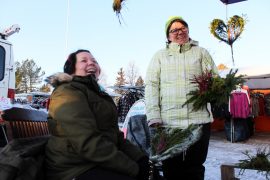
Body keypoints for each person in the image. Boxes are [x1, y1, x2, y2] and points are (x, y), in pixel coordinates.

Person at [45, 49, 149, 180]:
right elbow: (86, 141)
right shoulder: (66, 92)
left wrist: (141, 159)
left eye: (94, 61)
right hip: (73, 168)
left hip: (96, 161)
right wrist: (132, 168)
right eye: (84, 60)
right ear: (71, 69)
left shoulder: (99, 95)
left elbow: (117, 137)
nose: (91, 63)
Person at [145, 16, 218, 180]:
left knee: (195, 167)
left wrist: (215, 92)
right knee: (171, 168)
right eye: (174, 30)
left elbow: (214, 79)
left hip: (199, 120)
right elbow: (151, 86)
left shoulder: (201, 52)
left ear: (188, 30)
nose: (180, 32)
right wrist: (154, 115)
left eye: (183, 28)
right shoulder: (159, 56)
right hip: (169, 122)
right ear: (168, 36)